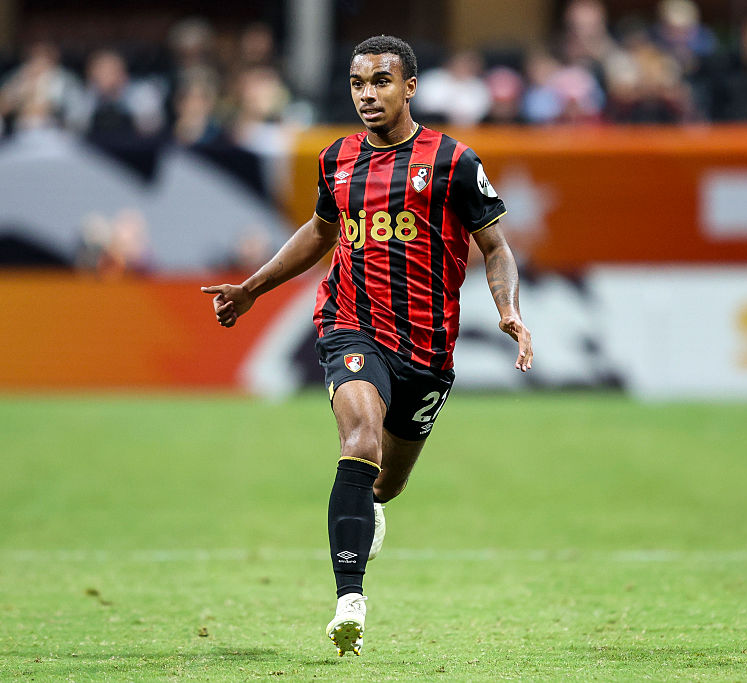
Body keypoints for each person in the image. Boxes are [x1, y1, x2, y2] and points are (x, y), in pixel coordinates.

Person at [201, 34, 532, 657]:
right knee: (359, 442)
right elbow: (322, 230)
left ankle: (370, 505)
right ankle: (348, 601)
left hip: (428, 350)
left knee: (384, 484)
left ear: (410, 87)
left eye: (380, 82)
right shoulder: (337, 158)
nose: (367, 95)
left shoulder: (454, 162)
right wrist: (253, 287)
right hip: (350, 323)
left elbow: (496, 247)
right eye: (357, 83)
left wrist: (508, 311)